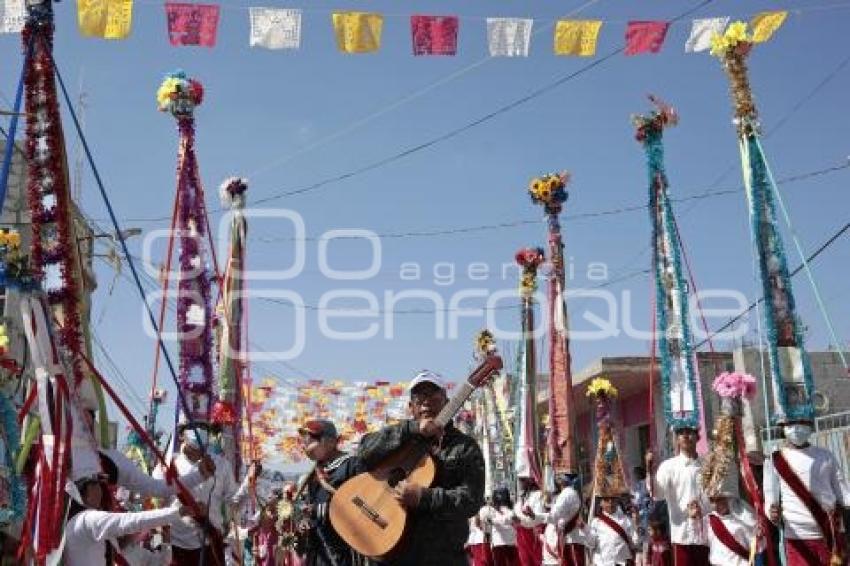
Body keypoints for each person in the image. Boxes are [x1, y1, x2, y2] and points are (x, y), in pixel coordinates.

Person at [357, 369, 486, 565]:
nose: (426, 401)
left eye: (433, 395)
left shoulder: (465, 447)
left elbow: (472, 500)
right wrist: (411, 429)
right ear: (411, 406)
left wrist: (425, 497)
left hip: (443, 558)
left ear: (446, 401)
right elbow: (363, 453)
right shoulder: (399, 437)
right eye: (419, 396)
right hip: (391, 555)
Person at [153, 427, 255, 565]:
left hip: (210, 543)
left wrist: (249, 482)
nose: (199, 429)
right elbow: (157, 508)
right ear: (182, 434)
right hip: (176, 546)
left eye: (204, 426)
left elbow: (234, 503)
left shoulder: (221, 464)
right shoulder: (165, 467)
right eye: (192, 426)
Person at [764, 416, 850, 565]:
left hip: (830, 535)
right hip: (797, 537)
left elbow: (844, 494)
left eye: (802, 422)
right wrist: (771, 513)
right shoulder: (774, 460)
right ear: (783, 427)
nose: (797, 428)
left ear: (810, 425)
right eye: (791, 422)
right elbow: (770, 497)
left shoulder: (826, 456)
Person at [63, 473, 190, 565]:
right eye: (95, 488)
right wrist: (178, 512)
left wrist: (165, 540)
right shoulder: (86, 519)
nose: (100, 493)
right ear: (86, 497)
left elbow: (162, 562)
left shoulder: (72, 525)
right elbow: (131, 522)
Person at [297, 418, 366, 566]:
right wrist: (306, 519)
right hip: (319, 552)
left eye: (309, 441)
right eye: (304, 443)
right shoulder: (314, 474)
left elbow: (363, 505)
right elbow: (312, 508)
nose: (305, 447)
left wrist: (324, 509)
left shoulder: (351, 465)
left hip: (344, 551)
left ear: (330, 441)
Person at [651, 426, 710, 565]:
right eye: (680, 433)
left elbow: (715, 495)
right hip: (682, 535)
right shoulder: (668, 466)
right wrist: (650, 469)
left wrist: (703, 508)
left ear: (697, 436)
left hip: (707, 535)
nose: (685, 436)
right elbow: (658, 494)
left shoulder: (708, 464)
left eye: (689, 432)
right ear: (676, 439)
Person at [541, 473, 587, 566]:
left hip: (570, 538)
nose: (556, 477)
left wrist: (536, 517)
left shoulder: (567, 493)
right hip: (566, 538)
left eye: (559, 475)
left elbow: (554, 516)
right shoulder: (566, 493)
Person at [587, 495, 640, 566]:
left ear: (617, 501)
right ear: (601, 503)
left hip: (621, 563)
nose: (610, 502)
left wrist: (636, 525)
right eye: (606, 500)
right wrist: (583, 528)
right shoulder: (596, 522)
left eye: (613, 499)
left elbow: (635, 543)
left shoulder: (626, 520)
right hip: (602, 563)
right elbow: (591, 544)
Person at [480, 487, 519, 566]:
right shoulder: (489, 510)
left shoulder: (510, 510)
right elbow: (487, 521)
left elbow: (516, 521)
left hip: (509, 543)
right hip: (500, 543)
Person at [513, 476, 545, 566]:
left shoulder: (538, 494)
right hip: (521, 533)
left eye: (523, 480)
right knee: (525, 562)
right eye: (520, 480)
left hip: (532, 533)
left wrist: (522, 519)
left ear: (530, 480)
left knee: (536, 561)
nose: (520, 483)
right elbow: (516, 511)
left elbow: (537, 516)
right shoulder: (522, 497)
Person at [631, 467, 652, 566]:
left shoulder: (645, 484)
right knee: (640, 541)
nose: (635, 476)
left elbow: (645, 500)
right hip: (639, 518)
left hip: (646, 517)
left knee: (646, 542)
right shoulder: (636, 486)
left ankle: (646, 561)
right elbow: (635, 501)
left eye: (636, 474)